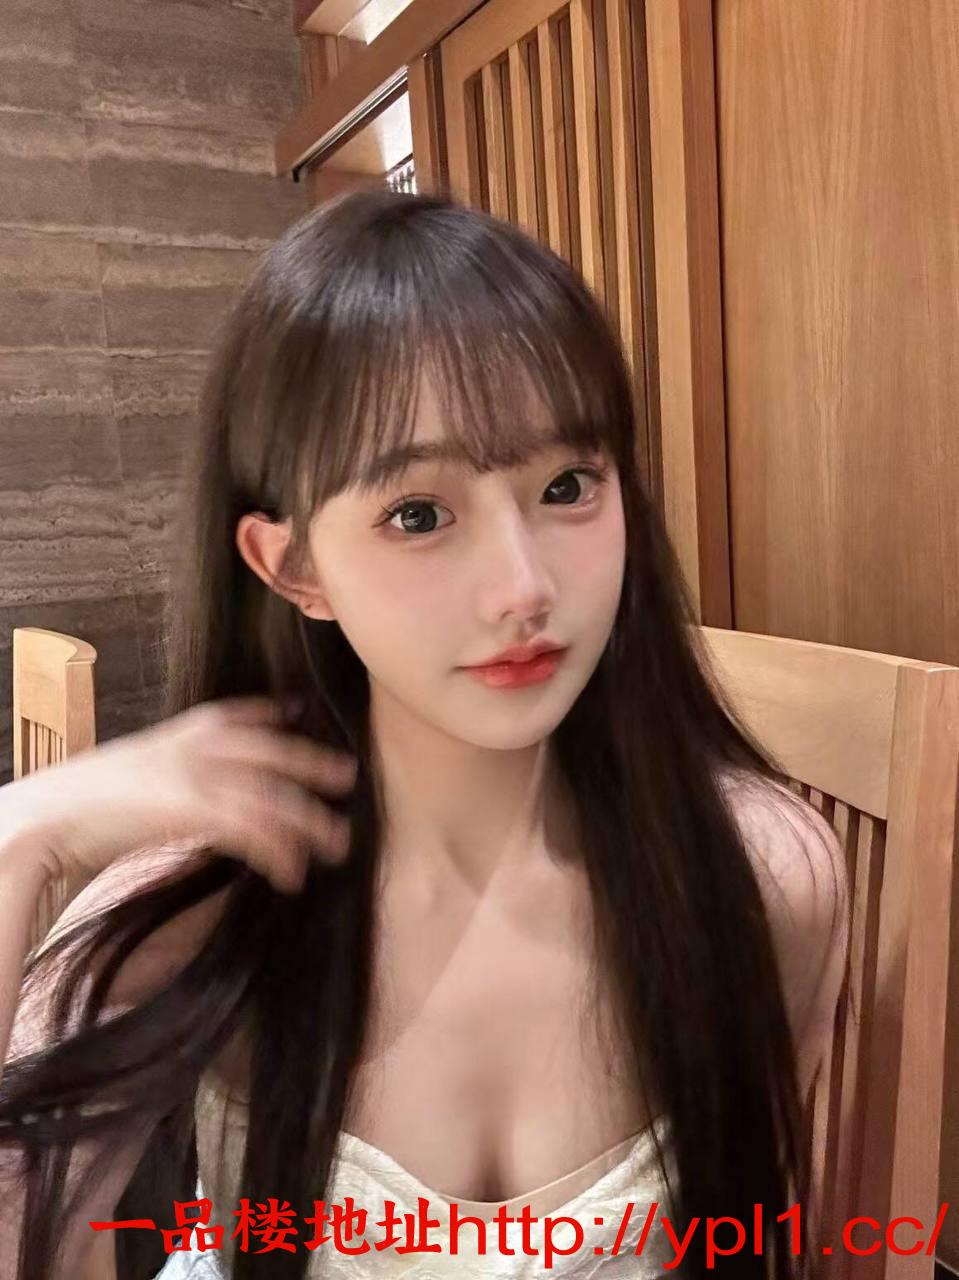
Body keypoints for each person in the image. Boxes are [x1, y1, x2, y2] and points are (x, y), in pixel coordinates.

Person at [0, 190, 849, 1280]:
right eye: (418, 513)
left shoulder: (757, 876)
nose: (523, 586)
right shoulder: (195, 917)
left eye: (566, 485)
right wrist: (19, 839)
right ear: (293, 566)